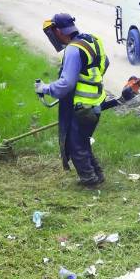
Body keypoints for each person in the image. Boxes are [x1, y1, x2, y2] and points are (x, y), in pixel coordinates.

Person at [37, 13, 110, 187]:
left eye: (53, 32)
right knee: (83, 141)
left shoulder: (72, 50)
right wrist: (90, 79)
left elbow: (66, 83)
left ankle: (89, 181)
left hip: (82, 107)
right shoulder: (92, 40)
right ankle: (97, 175)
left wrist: (45, 88)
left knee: (75, 144)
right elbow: (105, 63)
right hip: (96, 102)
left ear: (58, 31)